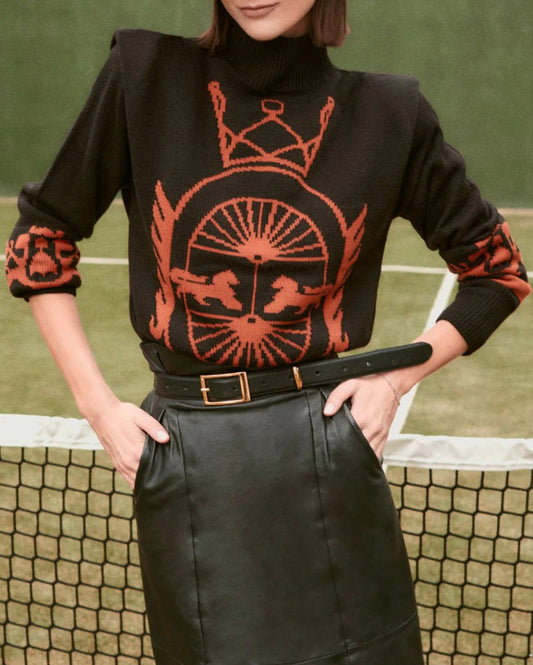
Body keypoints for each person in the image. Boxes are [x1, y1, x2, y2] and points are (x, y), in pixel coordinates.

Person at [5, 1, 530, 663]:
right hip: (185, 454)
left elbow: (497, 273)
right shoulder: (143, 76)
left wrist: (396, 380)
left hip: (329, 453)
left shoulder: (389, 114)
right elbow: (42, 238)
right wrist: (97, 406)